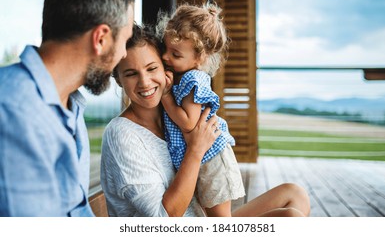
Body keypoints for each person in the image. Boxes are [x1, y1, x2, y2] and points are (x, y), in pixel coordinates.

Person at [100, 24, 311, 217]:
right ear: (118, 79)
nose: (145, 82)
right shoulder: (121, 134)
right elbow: (163, 220)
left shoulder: (173, 118)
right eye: (130, 73)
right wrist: (196, 148)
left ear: (166, 68)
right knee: (291, 218)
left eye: (152, 68)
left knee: (295, 194)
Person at [0, 0, 135, 216]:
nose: (124, 54)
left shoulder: (70, 105)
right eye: (125, 41)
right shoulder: (13, 111)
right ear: (101, 39)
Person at [157, 1, 244, 217]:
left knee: (221, 223)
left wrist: (166, 96)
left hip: (213, 162)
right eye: (165, 49)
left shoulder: (193, 79)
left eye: (175, 55)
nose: (166, 58)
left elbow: (188, 121)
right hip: (203, 158)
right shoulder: (183, 76)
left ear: (199, 58)